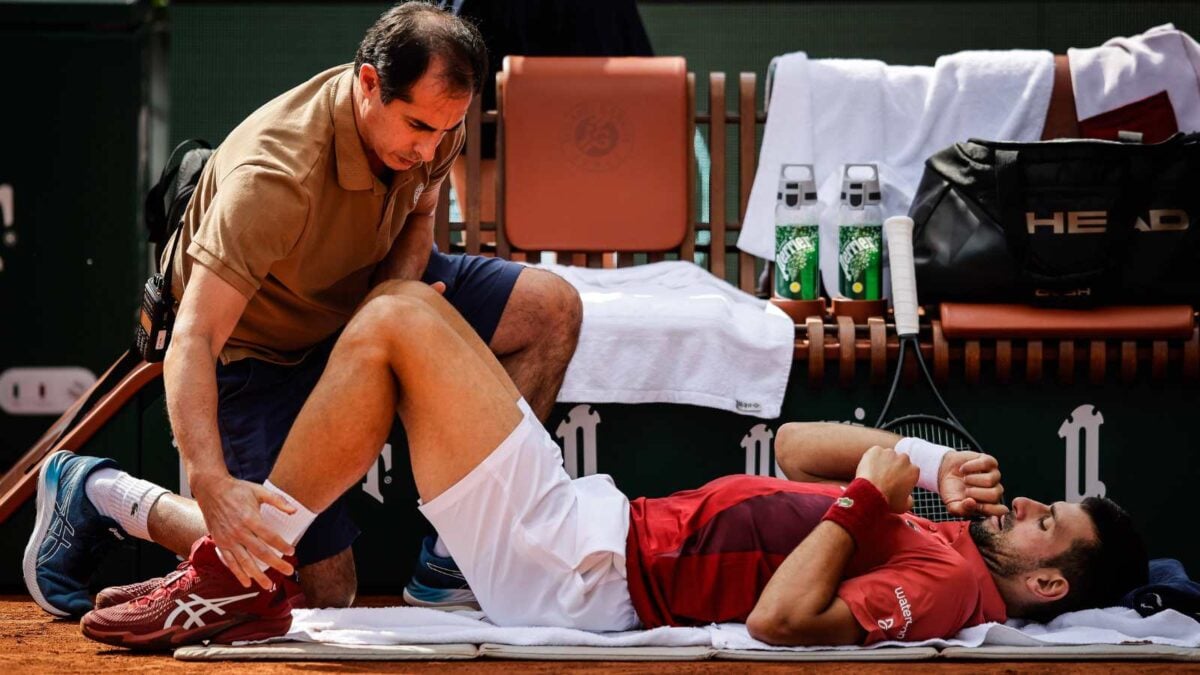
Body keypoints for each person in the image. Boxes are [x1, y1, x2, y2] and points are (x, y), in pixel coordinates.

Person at [30, 282, 1144, 649]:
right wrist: (914, 465)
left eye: (1053, 526)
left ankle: (225, 557)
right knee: (396, 327)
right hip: (587, 536)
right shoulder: (948, 534)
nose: (1034, 508)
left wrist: (870, 497)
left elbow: (785, 624)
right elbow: (804, 447)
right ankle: (114, 499)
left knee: (399, 319)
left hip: (586, 569)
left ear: (1046, 585)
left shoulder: (951, 588)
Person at [22, 1, 583, 619]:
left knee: (550, 309)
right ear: (369, 82)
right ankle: (100, 494)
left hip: (361, 294)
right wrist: (210, 481)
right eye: (418, 127)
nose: (431, 149)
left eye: (447, 129)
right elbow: (195, 336)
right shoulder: (272, 177)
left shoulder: (435, 127)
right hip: (258, 348)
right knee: (318, 592)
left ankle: (457, 552)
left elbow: (420, 217)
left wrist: (387, 310)